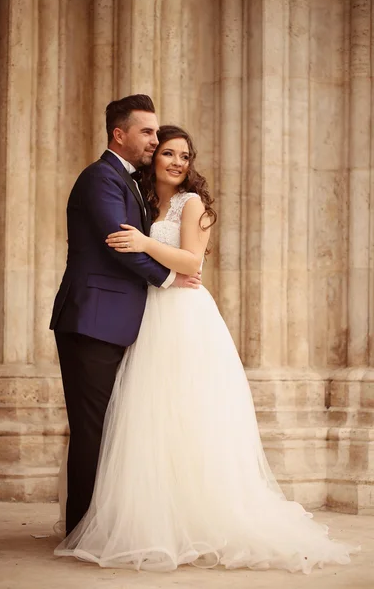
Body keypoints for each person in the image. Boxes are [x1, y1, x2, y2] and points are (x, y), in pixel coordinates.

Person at [54, 125, 359, 572]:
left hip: (183, 310)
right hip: (152, 311)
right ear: (153, 159)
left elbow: (193, 262)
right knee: (150, 417)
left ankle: (196, 517)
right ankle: (152, 514)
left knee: (188, 411)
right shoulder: (143, 200)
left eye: (185, 156)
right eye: (169, 154)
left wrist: (143, 242)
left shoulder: (190, 203)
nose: (178, 162)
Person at [50, 97, 201, 537]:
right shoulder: (101, 177)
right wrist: (170, 279)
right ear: (120, 134)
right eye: (149, 133)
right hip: (92, 320)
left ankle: (99, 522)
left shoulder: (132, 182)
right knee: (92, 430)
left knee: (111, 428)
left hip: (118, 322)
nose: (156, 141)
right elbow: (121, 242)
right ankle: (80, 530)